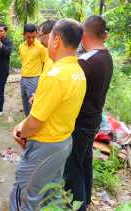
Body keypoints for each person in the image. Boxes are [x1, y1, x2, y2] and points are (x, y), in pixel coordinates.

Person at [10, 19, 86, 211]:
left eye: (49, 36)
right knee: (49, 193)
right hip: (63, 141)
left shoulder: (56, 76)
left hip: (45, 146)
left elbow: (35, 122)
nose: (45, 40)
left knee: (25, 195)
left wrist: (20, 132)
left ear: (57, 40)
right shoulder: (77, 72)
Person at [64, 16, 113, 211]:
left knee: (72, 168)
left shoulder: (85, 62)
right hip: (93, 119)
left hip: (81, 121)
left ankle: (77, 207)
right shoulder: (106, 56)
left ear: (83, 35)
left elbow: (70, 92)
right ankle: (87, 198)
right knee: (84, 161)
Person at [19, 23, 47, 116]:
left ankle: (34, 128)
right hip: (23, 78)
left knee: (33, 106)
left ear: (36, 34)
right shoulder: (21, 47)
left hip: (35, 79)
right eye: (28, 37)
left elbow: (45, 64)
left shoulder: (41, 47)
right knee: (25, 104)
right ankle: (27, 124)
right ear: (23, 34)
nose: (31, 39)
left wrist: (41, 81)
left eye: (33, 37)